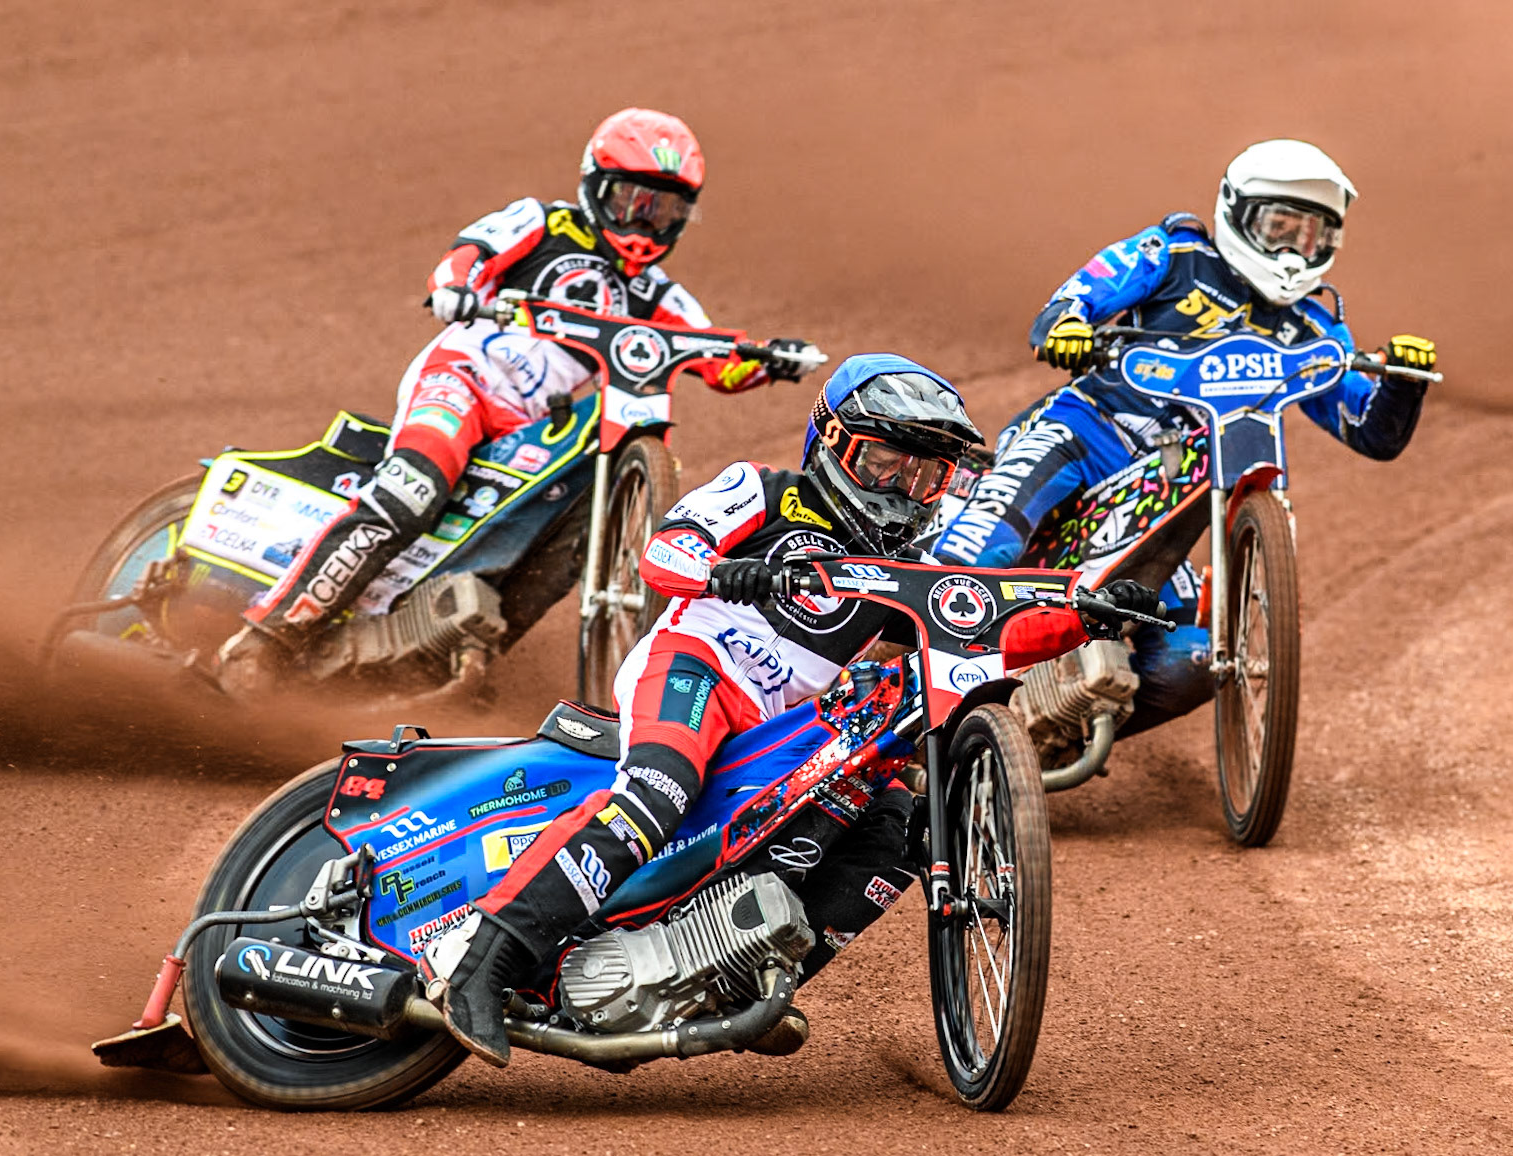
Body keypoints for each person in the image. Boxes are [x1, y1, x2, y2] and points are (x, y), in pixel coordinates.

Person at [418, 353, 1159, 1067]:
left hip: (784, 728)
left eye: (925, 475)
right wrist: (722, 571)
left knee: (894, 827)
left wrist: (1088, 611)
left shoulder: (913, 569)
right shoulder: (765, 491)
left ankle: (738, 982)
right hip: (697, 669)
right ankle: (483, 961)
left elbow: (995, 620)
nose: (902, 489)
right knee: (657, 791)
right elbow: (664, 551)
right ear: (832, 441)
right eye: (884, 462)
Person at [218, 108, 811, 692]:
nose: (645, 222)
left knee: (564, 534)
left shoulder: (659, 295)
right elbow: (470, 254)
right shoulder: (541, 223)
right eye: (632, 201)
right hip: (461, 381)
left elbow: (713, 358)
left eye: (664, 210)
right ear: (597, 186)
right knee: (412, 490)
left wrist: (768, 361)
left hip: (528, 430)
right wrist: (456, 288)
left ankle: (451, 653)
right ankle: (267, 635)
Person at [930, 138, 1438, 738]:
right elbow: (1076, 296)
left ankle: (1045, 738)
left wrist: (1403, 383)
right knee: (976, 555)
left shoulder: (1310, 326)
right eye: (1279, 228)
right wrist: (1068, 324)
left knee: (1192, 660)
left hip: (1163, 491)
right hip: (1086, 432)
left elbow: (1371, 431)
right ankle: (898, 695)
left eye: (1310, 236)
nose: (1292, 251)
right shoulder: (1172, 254)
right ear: (1237, 213)